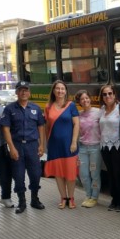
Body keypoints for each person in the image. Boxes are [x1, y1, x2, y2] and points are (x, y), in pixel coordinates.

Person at [0, 81, 46, 214]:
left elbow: (41, 127)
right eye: (21, 90)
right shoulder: (9, 109)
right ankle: (22, 202)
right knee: (19, 176)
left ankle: (35, 199)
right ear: (16, 92)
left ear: (29, 92)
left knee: (36, 174)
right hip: (17, 146)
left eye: (26, 90)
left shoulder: (36, 108)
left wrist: (42, 145)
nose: (23, 92)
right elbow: (6, 129)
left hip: (32, 146)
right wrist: (11, 148)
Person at [43, 80, 79, 209]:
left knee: (70, 173)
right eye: (57, 89)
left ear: (65, 91)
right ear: (53, 91)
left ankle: (71, 198)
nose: (60, 91)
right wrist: (47, 142)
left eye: (62, 89)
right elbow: (47, 127)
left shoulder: (71, 105)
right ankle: (63, 198)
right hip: (54, 145)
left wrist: (74, 141)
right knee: (58, 173)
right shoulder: (48, 107)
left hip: (69, 145)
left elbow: (76, 124)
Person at [99, 84, 120, 212]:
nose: (107, 96)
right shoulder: (102, 109)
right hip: (104, 146)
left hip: (117, 145)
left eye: (110, 93)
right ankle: (114, 199)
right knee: (110, 174)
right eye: (105, 94)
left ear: (114, 94)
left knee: (118, 174)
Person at [75, 90, 102, 208]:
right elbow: (76, 132)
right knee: (83, 174)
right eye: (82, 99)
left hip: (95, 148)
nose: (85, 100)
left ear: (90, 99)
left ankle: (94, 197)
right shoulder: (78, 114)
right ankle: (88, 195)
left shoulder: (98, 112)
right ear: (79, 102)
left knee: (94, 173)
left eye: (86, 98)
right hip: (82, 148)